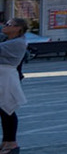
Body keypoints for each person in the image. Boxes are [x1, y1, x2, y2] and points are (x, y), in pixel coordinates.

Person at [0, 16, 30, 153]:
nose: (4, 25)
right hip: (4, 76)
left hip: (6, 77)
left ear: (18, 28)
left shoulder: (18, 42)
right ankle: (7, 142)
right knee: (4, 109)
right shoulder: (9, 40)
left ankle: (11, 143)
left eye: (9, 24)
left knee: (8, 109)